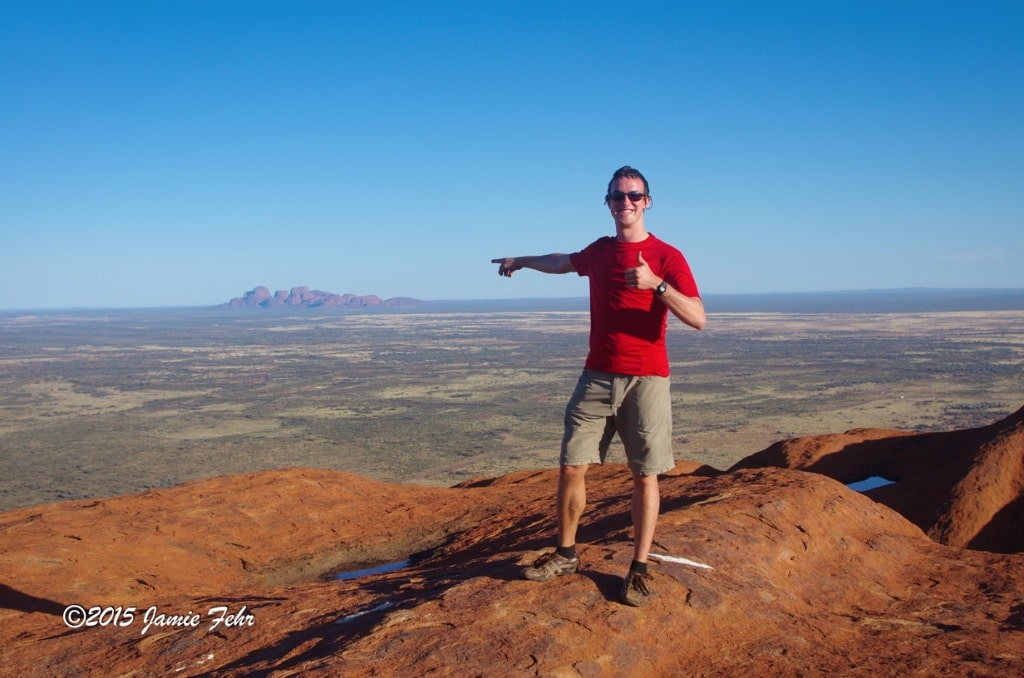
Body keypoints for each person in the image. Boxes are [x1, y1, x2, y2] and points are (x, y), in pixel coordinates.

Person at [491, 165, 706, 607]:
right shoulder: (601, 251)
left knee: (645, 476)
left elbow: (698, 317)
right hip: (596, 375)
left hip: (647, 380)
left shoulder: (667, 257)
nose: (624, 203)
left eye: (633, 196)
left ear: (647, 201)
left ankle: (639, 569)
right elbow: (562, 261)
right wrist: (521, 261)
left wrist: (656, 285)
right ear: (607, 202)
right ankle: (566, 554)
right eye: (616, 196)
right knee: (572, 465)